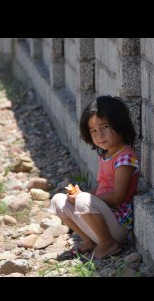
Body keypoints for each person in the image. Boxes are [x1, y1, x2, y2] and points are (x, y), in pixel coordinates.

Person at [50, 95, 139, 260]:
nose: (100, 135)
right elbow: (101, 188)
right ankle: (90, 241)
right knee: (58, 201)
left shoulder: (125, 157)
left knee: (84, 200)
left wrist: (84, 198)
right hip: (101, 220)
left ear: (119, 124)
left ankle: (108, 243)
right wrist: (77, 195)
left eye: (105, 126)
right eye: (93, 131)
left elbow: (118, 196)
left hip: (117, 224)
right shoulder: (105, 155)